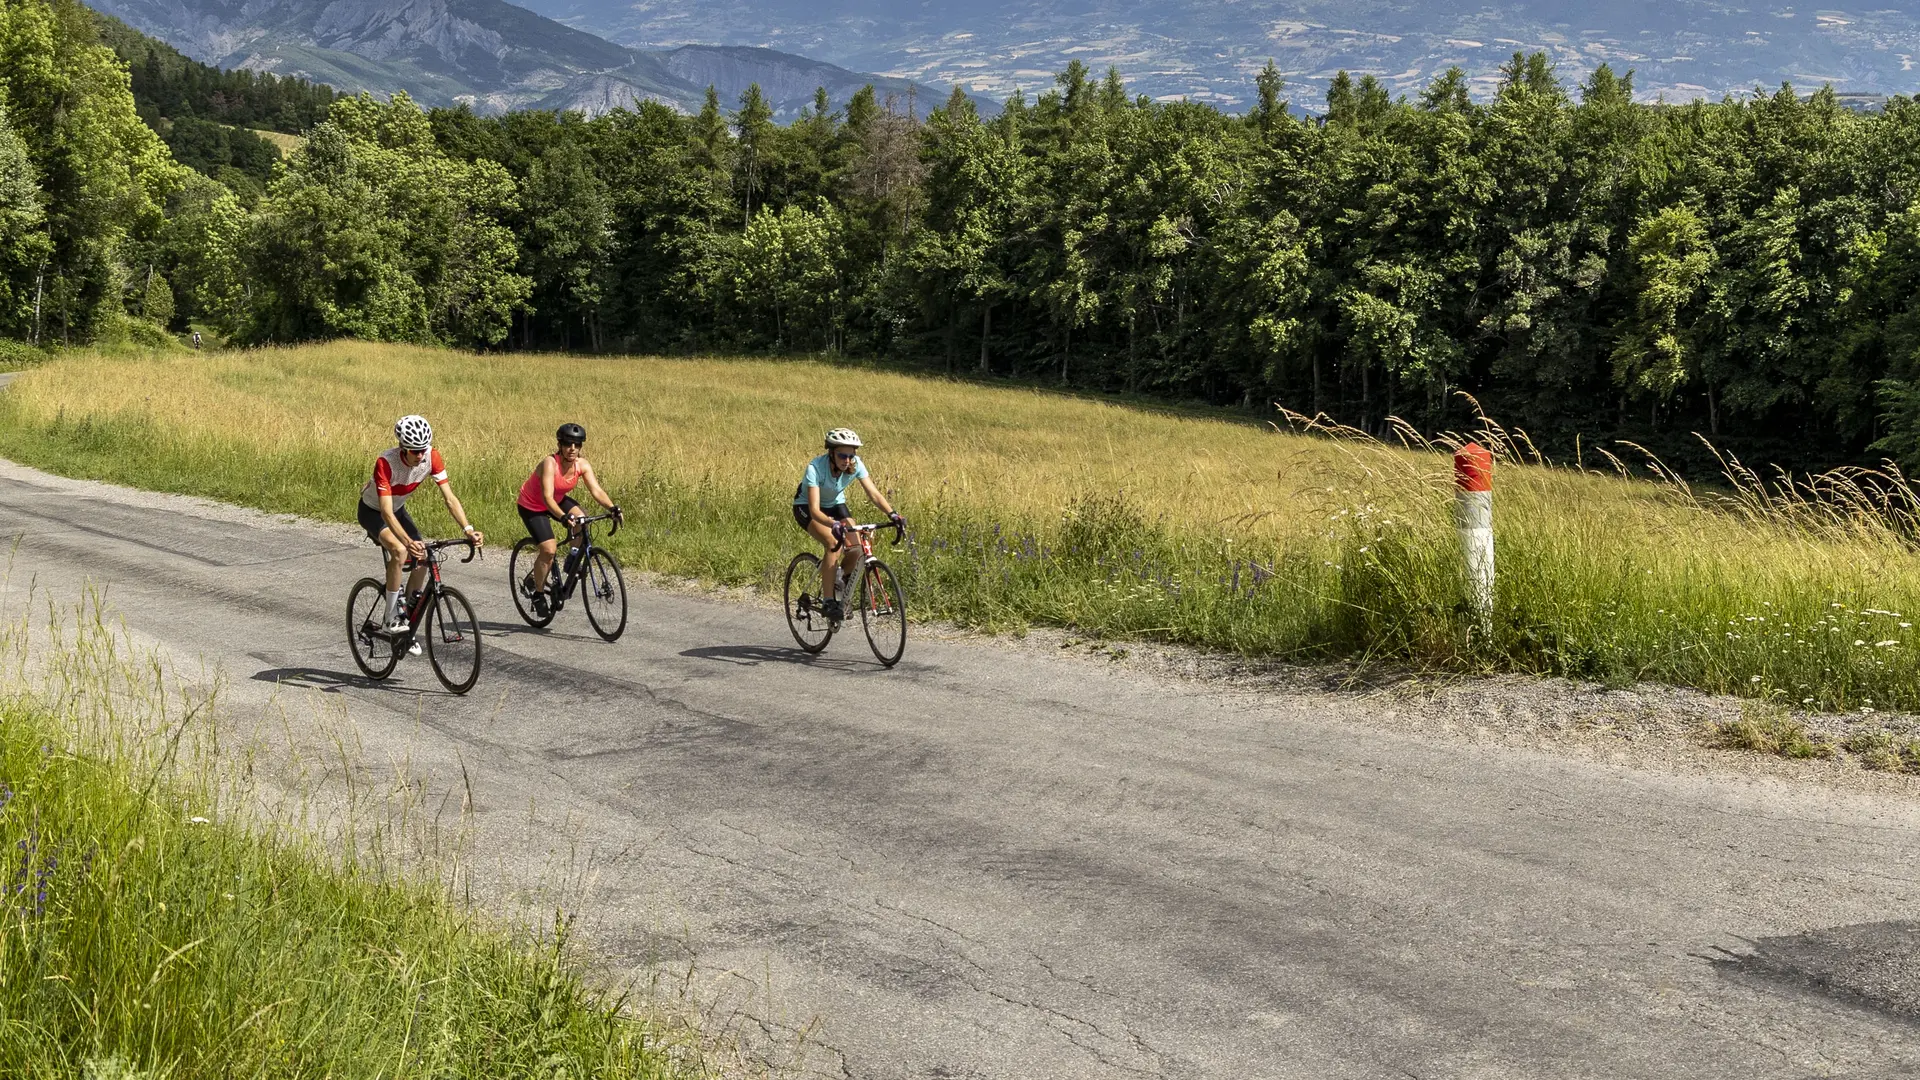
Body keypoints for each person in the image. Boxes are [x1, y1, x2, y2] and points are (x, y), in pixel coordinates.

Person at [358, 415, 484, 650]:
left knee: (424, 556)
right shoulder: (386, 462)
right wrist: (407, 542)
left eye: (423, 450)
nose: (420, 456)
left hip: (398, 509)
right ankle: (391, 617)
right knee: (399, 550)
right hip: (373, 512)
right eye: (415, 451)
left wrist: (468, 529)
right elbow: (386, 513)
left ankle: (406, 620)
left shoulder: (431, 457)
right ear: (402, 448)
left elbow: (450, 499)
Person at [792, 427, 903, 622]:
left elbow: (874, 494)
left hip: (835, 505)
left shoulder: (855, 464)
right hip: (807, 508)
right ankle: (828, 601)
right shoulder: (815, 468)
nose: (847, 460)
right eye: (842, 455)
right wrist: (832, 524)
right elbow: (815, 510)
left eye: (851, 456)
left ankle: (840, 584)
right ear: (831, 453)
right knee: (833, 542)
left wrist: (893, 514)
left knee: (858, 548)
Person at [517, 422, 620, 617]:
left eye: (577, 444)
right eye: (567, 444)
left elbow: (596, 490)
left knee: (582, 519)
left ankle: (572, 557)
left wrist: (612, 508)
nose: (572, 448)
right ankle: (538, 593)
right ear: (560, 445)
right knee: (549, 550)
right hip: (532, 505)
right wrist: (563, 517)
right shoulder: (550, 463)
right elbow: (547, 497)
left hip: (557, 499)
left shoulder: (582, 465)